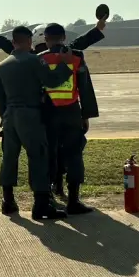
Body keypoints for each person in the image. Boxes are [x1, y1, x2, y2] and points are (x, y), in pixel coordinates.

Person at [0, 26, 74, 220]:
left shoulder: (1, 66)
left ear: (13, 42)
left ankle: (8, 200)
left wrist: (5, 116)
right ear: (30, 41)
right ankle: (41, 204)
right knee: (38, 156)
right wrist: (65, 64)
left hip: (9, 116)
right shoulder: (35, 60)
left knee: (9, 158)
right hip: (30, 115)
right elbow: (52, 81)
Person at [38, 23, 99, 214]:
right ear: (64, 37)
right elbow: (85, 87)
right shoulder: (76, 57)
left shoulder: (41, 58)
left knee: (49, 154)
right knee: (74, 155)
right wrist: (86, 115)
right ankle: (73, 200)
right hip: (72, 112)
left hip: (49, 113)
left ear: (45, 39)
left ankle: (50, 196)